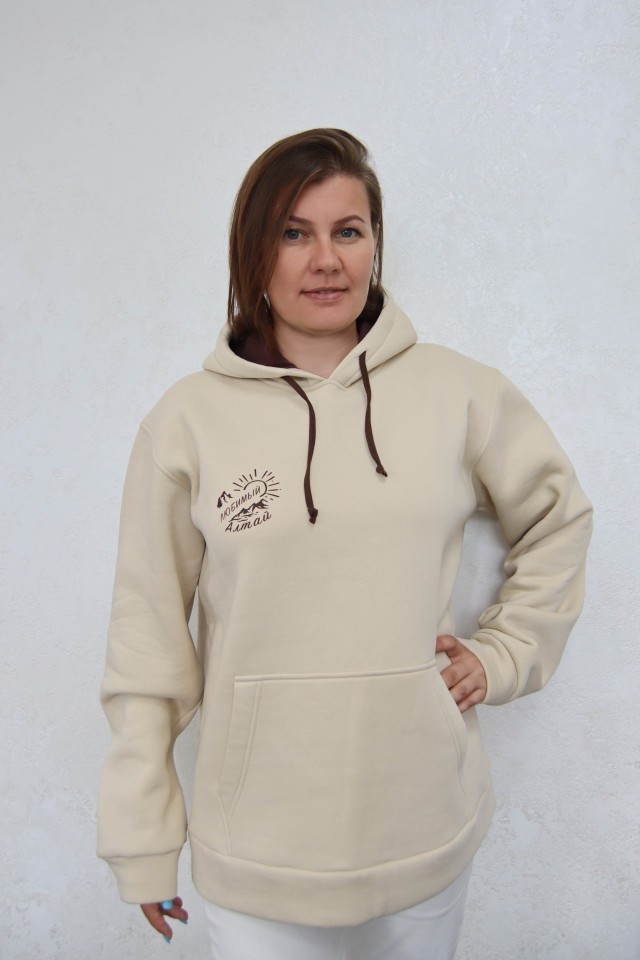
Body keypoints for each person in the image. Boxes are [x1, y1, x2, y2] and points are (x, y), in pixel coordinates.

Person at [97, 128, 593, 959]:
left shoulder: (460, 392)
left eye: (348, 231)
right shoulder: (186, 422)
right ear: (253, 253)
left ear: (375, 244)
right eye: (294, 233)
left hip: (426, 829)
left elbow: (559, 517)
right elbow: (145, 639)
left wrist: (506, 653)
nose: (326, 259)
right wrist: (142, 838)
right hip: (258, 851)